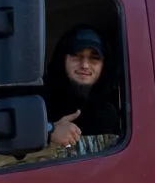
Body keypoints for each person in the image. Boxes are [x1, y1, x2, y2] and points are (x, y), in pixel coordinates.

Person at [44, 25, 123, 155]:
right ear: (63, 58)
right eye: (76, 55)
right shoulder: (40, 101)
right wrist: (49, 130)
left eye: (94, 58)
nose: (85, 65)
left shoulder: (113, 114)